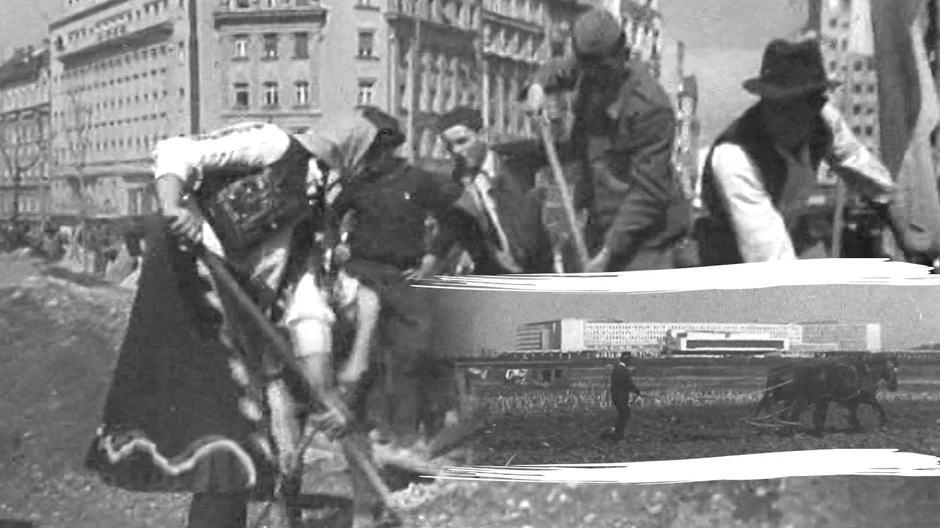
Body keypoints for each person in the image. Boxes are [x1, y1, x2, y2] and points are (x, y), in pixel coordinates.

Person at [84, 120, 397, 528]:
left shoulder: (315, 214)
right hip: (189, 284)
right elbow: (176, 150)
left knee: (235, 449)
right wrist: (174, 206)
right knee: (232, 438)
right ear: (356, 152)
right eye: (370, 162)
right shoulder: (274, 144)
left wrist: (322, 391)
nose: (365, 173)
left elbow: (306, 306)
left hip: (230, 306)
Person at [695, 37, 914, 265]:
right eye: (774, 105)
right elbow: (770, 261)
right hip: (731, 261)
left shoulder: (824, 121)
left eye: (793, 106)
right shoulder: (735, 158)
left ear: (816, 104)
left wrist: (904, 231)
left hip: (787, 235)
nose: (781, 117)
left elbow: (864, 171)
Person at [329, 106, 464, 457]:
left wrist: (433, 256)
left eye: (379, 151)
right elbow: (328, 218)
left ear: (391, 148)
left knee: (410, 354)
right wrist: (336, 246)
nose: (373, 159)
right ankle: (370, 429)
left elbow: (454, 216)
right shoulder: (356, 184)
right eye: (370, 152)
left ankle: (407, 433)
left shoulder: (418, 181)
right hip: (364, 275)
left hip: (404, 277)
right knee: (368, 355)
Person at [521, 7, 692, 273]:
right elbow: (560, 70)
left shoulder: (649, 106)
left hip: (647, 236)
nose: (593, 77)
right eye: (586, 68)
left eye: (601, 70)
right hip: (600, 220)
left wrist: (608, 252)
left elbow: (648, 193)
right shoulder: (587, 69)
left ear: (621, 55)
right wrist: (537, 86)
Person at [434, 105, 555, 275]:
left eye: (462, 141)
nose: (457, 151)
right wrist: (493, 253)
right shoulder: (459, 180)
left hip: (539, 265)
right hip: (499, 269)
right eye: (449, 146)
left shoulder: (518, 160)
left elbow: (560, 147)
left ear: (483, 135)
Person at [601, 352, 642, 441]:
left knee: (623, 414)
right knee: (624, 414)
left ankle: (618, 433)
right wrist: (636, 390)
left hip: (618, 394)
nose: (630, 361)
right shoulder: (621, 369)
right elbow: (627, 382)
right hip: (620, 395)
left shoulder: (619, 368)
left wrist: (635, 390)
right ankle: (618, 434)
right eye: (629, 359)